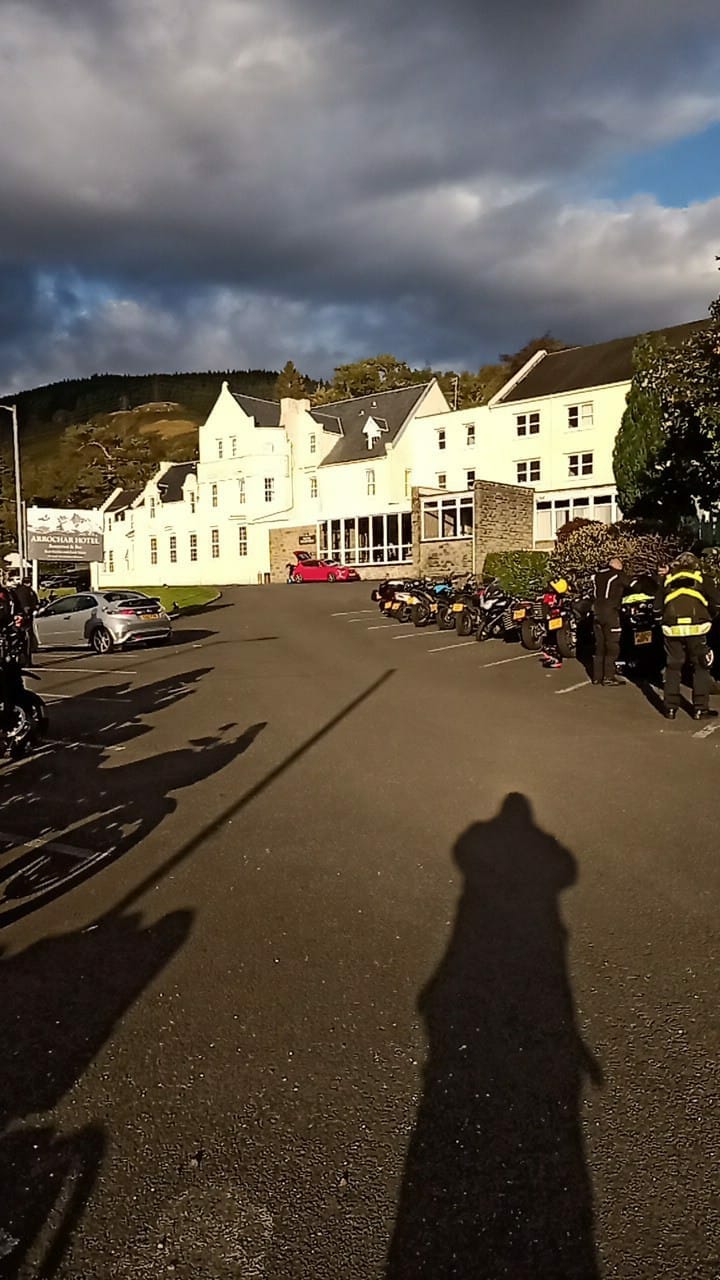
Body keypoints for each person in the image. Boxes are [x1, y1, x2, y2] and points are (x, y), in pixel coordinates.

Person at [656, 552, 719, 720]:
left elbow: (657, 607)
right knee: (701, 667)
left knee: (673, 667)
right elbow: (717, 603)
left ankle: (670, 708)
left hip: (672, 630)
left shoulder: (667, 581)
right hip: (697, 629)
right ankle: (700, 709)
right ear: (695, 564)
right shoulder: (703, 579)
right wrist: (710, 616)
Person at [590, 556, 630, 686]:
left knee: (599, 645)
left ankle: (597, 677)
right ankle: (609, 676)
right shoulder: (618, 575)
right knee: (612, 645)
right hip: (610, 614)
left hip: (596, 612)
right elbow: (633, 585)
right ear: (618, 565)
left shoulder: (596, 576)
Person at [540, 578, 569, 670]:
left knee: (553, 639)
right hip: (551, 617)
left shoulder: (557, 596)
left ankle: (556, 659)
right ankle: (552, 656)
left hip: (555, 618)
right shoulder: (551, 596)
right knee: (549, 638)